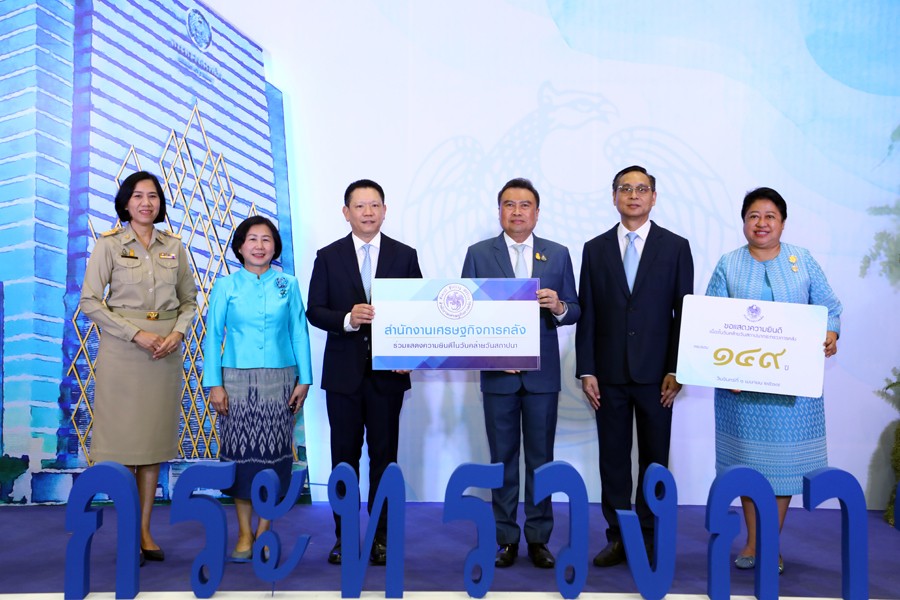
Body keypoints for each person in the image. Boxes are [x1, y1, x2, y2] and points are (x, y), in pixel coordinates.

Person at [706, 187, 841, 574]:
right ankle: (753, 541)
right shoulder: (729, 264)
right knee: (748, 467)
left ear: (782, 222)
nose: (761, 223)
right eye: (753, 216)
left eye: (770, 216)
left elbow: (829, 307)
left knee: (782, 468)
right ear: (743, 222)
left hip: (792, 392)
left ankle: (768, 543)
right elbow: (711, 320)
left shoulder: (803, 259)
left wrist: (831, 332)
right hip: (741, 390)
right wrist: (723, 371)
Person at [575, 165, 693, 567]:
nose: (633, 195)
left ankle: (650, 537)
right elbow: (588, 313)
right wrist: (587, 369)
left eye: (642, 189)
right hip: (607, 376)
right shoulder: (594, 249)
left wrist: (677, 369)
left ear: (654, 198)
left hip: (658, 377)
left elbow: (684, 313)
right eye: (625, 189)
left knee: (654, 461)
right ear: (614, 197)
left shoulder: (675, 247)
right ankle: (619, 537)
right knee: (613, 461)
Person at [461, 177, 580, 569]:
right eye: (509, 205)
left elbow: (575, 309)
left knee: (541, 460)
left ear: (537, 212)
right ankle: (506, 538)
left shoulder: (557, 254)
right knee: (503, 460)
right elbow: (464, 315)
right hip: (498, 376)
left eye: (524, 205)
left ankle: (539, 538)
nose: (516, 212)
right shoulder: (479, 254)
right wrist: (491, 356)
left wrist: (559, 306)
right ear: (499, 211)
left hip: (542, 376)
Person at [80, 171, 198, 563]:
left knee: (151, 446)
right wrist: (135, 334)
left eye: (153, 196)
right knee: (126, 446)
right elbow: (90, 301)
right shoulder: (109, 245)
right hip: (124, 351)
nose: (146, 203)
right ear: (126, 203)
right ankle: (129, 528)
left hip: (164, 352)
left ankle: (145, 531)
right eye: (138, 196)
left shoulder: (175, 247)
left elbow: (189, 301)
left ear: (160, 203)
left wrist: (178, 333)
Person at [306, 179, 422, 566]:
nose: (368, 212)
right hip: (343, 377)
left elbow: (418, 313)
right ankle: (344, 537)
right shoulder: (328, 256)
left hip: (388, 377)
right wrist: (347, 319)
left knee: (385, 460)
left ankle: (381, 537)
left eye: (374, 205)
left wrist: (411, 352)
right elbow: (314, 310)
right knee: (344, 460)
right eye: (360, 206)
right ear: (346, 212)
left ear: (385, 210)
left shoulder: (405, 256)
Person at [203, 216, 313, 560]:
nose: (260, 246)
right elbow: (212, 337)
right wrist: (214, 384)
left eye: (267, 239)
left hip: (280, 381)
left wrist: (305, 379)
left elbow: (299, 332)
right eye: (252, 239)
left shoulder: (288, 284)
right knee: (241, 457)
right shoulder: (225, 286)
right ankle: (243, 533)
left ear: (275, 247)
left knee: (273, 455)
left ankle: (265, 530)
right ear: (240, 247)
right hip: (235, 381)